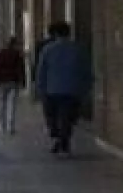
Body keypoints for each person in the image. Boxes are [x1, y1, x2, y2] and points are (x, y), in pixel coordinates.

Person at [34, 22, 90, 156]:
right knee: (67, 117)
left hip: (51, 90)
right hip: (72, 89)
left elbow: (41, 71)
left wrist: (40, 88)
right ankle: (64, 138)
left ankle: (57, 137)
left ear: (54, 34)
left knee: (52, 116)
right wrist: (85, 88)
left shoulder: (47, 50)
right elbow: (85, 70)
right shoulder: (78, 49)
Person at [0, 36, 28, 134]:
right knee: (12, 104)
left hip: (2, 81)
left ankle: (0, 124)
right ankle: (10, 126)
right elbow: (21, 69)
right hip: (13, 81)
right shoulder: (18, 54)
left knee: (1, 103)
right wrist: (23, 82)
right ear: (14, 44)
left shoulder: (1, 53)